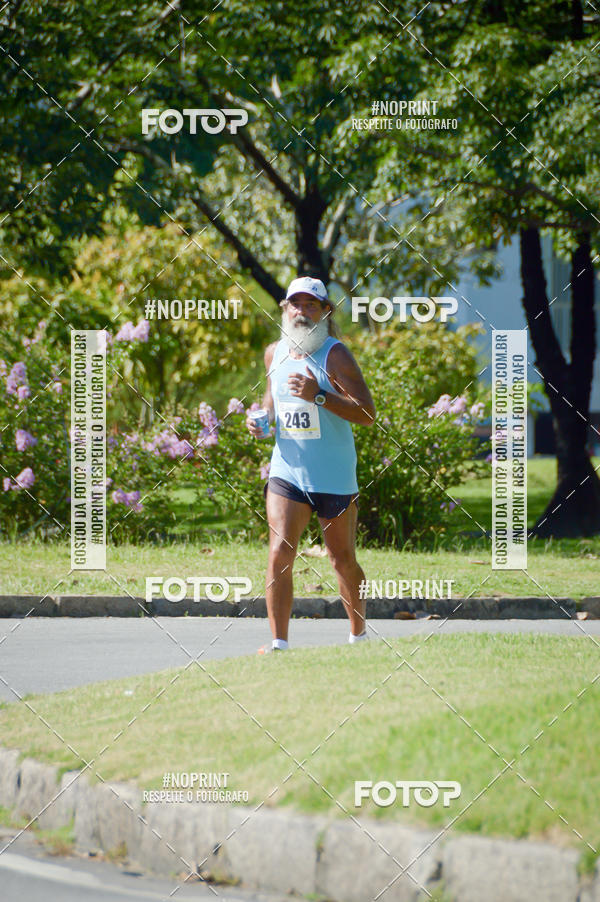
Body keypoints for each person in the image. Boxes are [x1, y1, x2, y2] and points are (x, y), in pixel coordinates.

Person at [246, 276, 376, 653]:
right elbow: (272, 402)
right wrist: (261, 419)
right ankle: (279, 644)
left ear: (325, 312)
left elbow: (367, 413)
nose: (301, 312)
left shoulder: (335, 355)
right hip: (287, 472)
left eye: (311, 305)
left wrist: (319, 395)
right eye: (295, 305)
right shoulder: (275, 353)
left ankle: (358, 635)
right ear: (285, 309)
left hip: (332, 475)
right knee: (279, 551)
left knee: (342, 559)